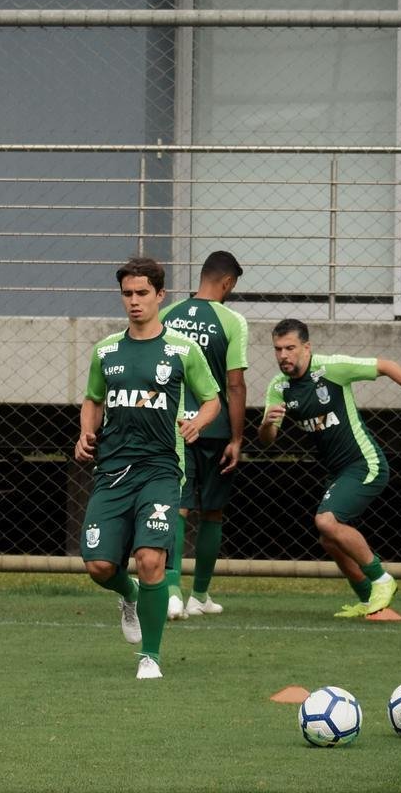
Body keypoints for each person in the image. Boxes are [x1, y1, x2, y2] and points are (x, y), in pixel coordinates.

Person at [75, 257, 220, 679]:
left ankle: (150, 656)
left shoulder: (181, 349)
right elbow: (93, 399)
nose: (134, 302)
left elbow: (212, 398)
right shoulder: (106, 350)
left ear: (160, 296)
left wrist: (199, 421)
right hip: (112, 470)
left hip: (160, 469)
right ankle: (129, 593)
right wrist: (86, 432)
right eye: (127, 294)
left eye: (142, 293)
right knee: (99, 566)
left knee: (150, 557)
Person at [258, 318, 401, 617]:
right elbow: (267, 440)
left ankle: (382, 579)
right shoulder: (278, 387)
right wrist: (267, 424)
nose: (283, 355)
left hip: (365, 463)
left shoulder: (331, 368)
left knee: (326, 521)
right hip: (337, 472)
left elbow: (386, 365)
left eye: (290, 348)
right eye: (278, 349)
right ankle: (367, 598)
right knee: (328, 538)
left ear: (307, 347)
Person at [159, 250, 248, 619]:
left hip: (176, 427)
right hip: (216, 428)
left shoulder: (167, 315)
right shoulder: (232, 320)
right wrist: (238, 438)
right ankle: (199, 595)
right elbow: (236, 384)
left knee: (175, 508)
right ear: (227, 282)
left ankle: (170, 593)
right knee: (212, 513)